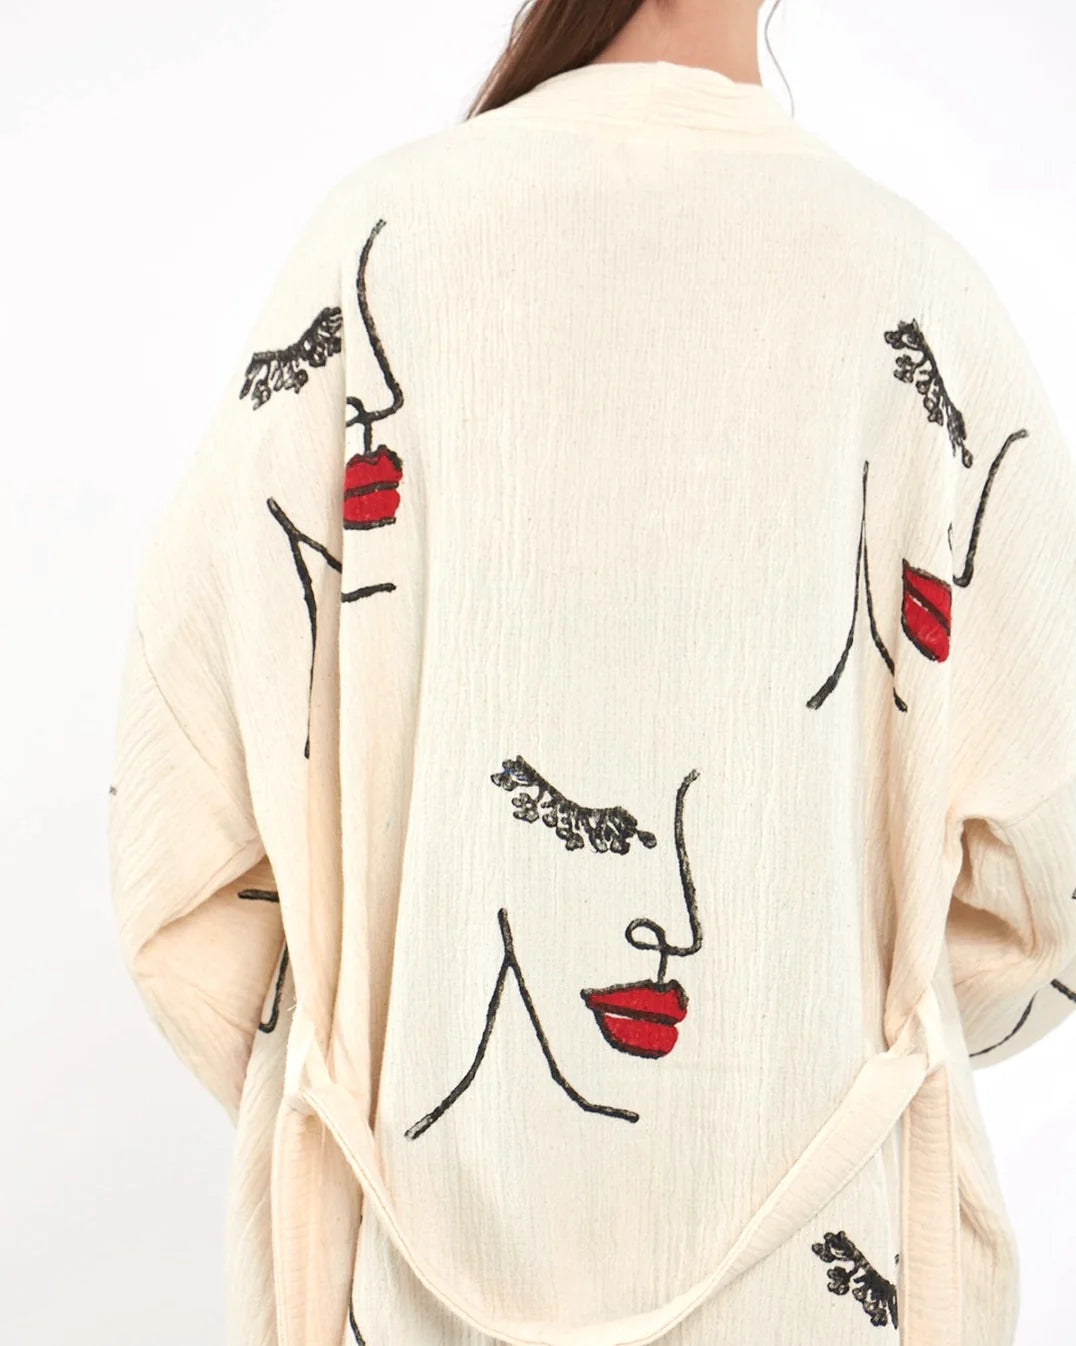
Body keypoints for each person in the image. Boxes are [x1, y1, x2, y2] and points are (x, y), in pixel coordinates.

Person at [106, 1, 1076, 1344]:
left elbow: (176, 852)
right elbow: (1043, 892)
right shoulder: (924, 303)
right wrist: (805, 1016)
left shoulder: (376, 251)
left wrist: (385, 1047)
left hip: (402, 1287)